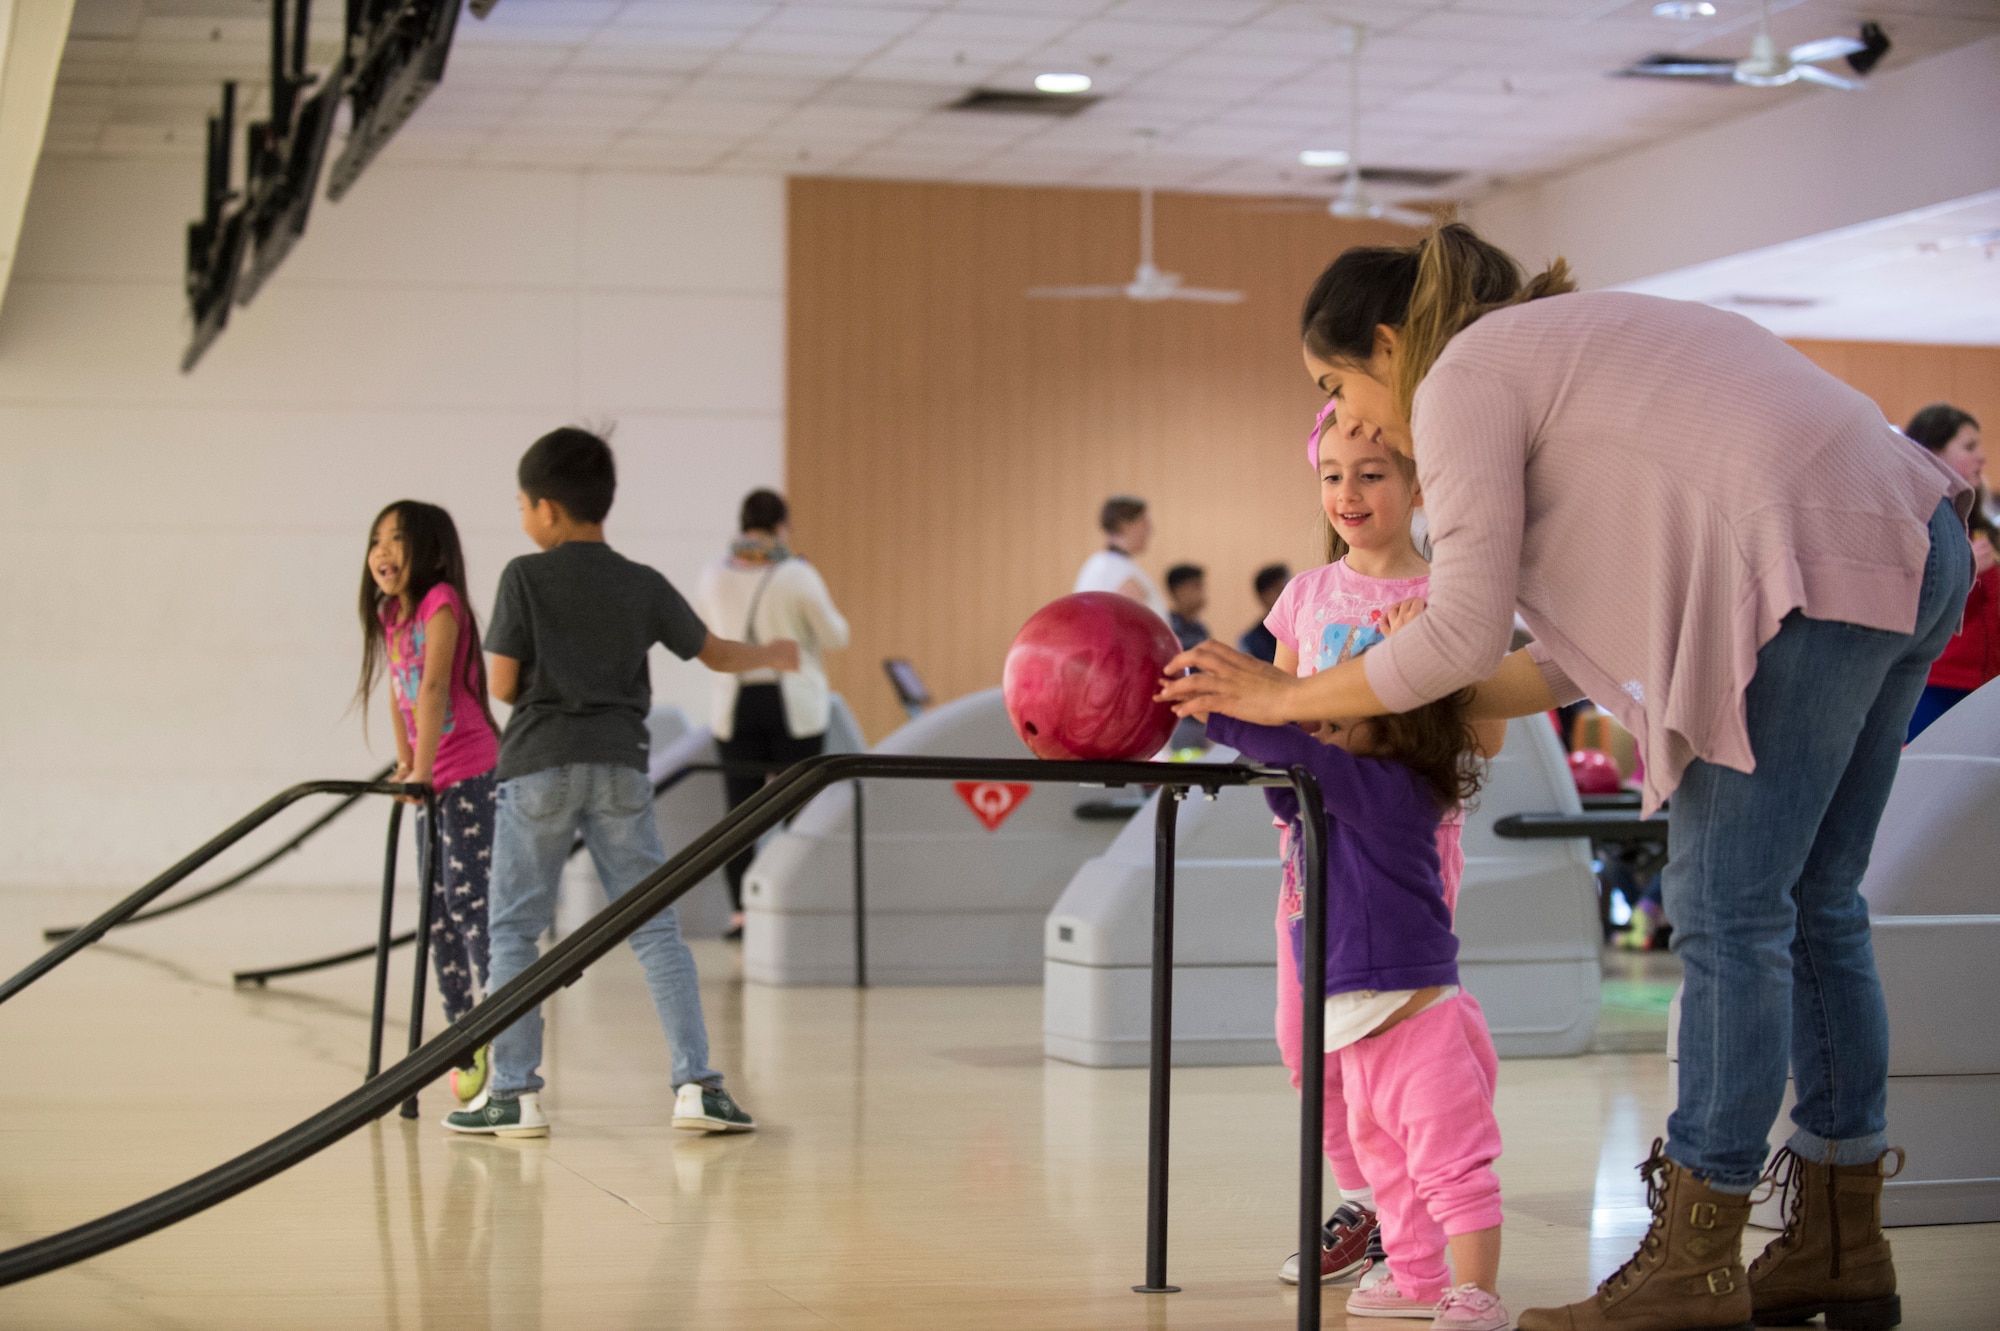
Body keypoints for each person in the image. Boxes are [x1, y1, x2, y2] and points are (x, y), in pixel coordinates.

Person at [1159, 224, 1970, 1331]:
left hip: (1809, 557)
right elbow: (1545, 663)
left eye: (1334, 383)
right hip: (1915, 534)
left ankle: (1695, 1253)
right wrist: (1368, 704)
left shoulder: (1458, 381)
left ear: (1387, 347)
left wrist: (1283, 696)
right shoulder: (1544, 352)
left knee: (1728, 907)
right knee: (1815, 903)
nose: (1346, 416)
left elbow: (1455, 635)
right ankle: (1836, 1238)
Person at [444, 428, 797, 1140]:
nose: (521, 518)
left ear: (546, 508)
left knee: (514, 927)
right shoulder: (641, 581)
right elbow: (716, 652)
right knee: (654, 926)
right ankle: (697, 1083)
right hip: (620, 768)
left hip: (539, 763)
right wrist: (777, 652)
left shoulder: (524, 576)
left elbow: (504, 680)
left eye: (521, 504)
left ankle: (512, 1092)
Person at [1265, 405, 1502, 1290]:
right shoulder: (1304, 595)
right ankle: (1367, 1205)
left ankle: (1420, 1223)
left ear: (1416, 483)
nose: (1347, 493)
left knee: (1397, 1052)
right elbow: (1278, 713)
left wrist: (1419, 685)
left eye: (1370, 473)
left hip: (1400, 856)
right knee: (1306, 1044)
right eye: (1332, 474)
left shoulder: (1449, 596)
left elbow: (1491, 737)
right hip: (1308, 859)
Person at [1206, 689, 1509, 1331]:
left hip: (1419, 1028)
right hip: (1361, 1031)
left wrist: (1211, 709)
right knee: (1388, 1168)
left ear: (1398, 732)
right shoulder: (1343, 802)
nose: (1325, 734)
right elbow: (1288, 783)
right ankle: (1419, 1279)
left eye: (1340, 723)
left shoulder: (1393, 792)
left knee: (1452, 1166)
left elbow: (1294, 752)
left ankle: (1479, 1293)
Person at [357, 499, 502, 1105]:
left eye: (397, 540)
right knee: (436, 920)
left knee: (471, 908)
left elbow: (437, 684)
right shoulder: (394, 615)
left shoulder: (442, 602)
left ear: (431, 551)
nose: (383, 553)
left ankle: (503, 1021)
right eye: (376, 541)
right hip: (430, 780)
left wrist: (425, 767)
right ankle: (462, 1037)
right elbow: (400, 694)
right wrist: (407, 763)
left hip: (467, 773)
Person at [696, 489, 850, 939]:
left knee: (738, 813)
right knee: (797, 807)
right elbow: (836, 635)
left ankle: (741, 913)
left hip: (736, 702)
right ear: (781, 526)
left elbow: (706, 629)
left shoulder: (713, 575)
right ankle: (792, 902)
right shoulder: (796, 575)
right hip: (791, 705)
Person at [1902, 405, 1997, 739]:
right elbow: (1903, 600)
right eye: (1969, 447)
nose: (1982, 457)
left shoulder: (1980, 531)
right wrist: (1959, 568)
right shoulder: (1912, 523)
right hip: (1936, 682)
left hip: (1988, 686)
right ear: (1934, 453)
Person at [1073, 495, 1167, 618]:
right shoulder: (1114, 569)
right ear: (1124, 524)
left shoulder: (1102, 564)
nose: (1151, 530)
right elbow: (1136, 623)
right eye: (1145, 523)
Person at [1237, 563, 1291, 662]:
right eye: (1279, 590)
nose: (1285, 596)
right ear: (1263, 596)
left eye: (1288, 590)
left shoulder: (1303, 629)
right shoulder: (1251, 641)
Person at [1164, 564, 1209, 652]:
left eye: (1202, 587)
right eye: (1196, 587)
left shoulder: (1200, 629)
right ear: (1178, 591)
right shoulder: (1168, 626)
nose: (1202, 592)